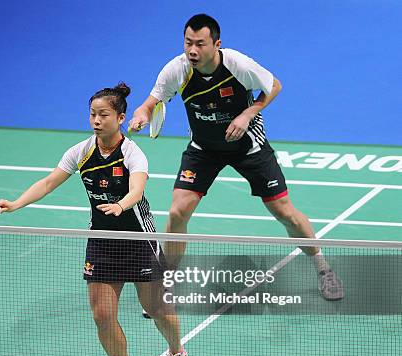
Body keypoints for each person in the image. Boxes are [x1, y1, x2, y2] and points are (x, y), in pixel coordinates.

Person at [0, 83, 188, 356]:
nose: (96, 120)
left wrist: (122, 204)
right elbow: (48, 182)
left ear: (121, 117)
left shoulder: (132, 153)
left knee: (156, 309)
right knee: (101, 315)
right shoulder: (82, 151)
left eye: (104, 115)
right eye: (93, 114)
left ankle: (177, 353)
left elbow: (137, 191)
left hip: (138, 239)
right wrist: (16, 204)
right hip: (102, 240)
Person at [129, 14, 344, 300]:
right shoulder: (176, 70)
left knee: (284, 212)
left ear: (216, 44)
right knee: (178, 211)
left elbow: (274, 85)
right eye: (188, 43)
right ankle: (168, 275)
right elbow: (152, 101)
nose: (192, 50)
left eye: (200, 44)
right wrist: (142, 113)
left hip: (248, 146)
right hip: (204, 148)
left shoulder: (237, 64)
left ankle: (323, 268)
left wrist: (247, 113)